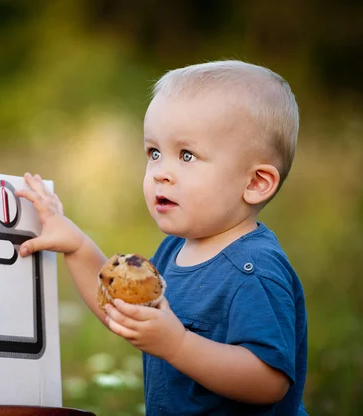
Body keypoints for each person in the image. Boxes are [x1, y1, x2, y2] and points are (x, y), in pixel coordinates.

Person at [15, 60, 308, 415]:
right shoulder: (175, 249)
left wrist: (177, 345)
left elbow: (269, 382)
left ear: (255, 183)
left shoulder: (254, 270)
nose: (161, 173)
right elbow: (120, 312)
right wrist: (77, 245)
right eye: (154, 153)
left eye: (187, 155)